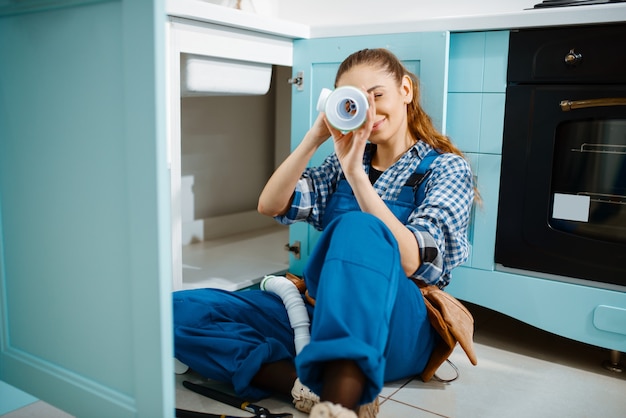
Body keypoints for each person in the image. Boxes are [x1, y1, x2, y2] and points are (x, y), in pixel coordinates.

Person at [173, 48, 475, 418]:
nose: (370, 109)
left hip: (399, 326)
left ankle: (343, 398)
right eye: (355, 101)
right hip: (323, 314)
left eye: (377, 95)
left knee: (359, 226)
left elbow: (412, 261)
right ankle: (304, 388)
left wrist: (358, 179)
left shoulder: (445, 169)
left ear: (406, 90)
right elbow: (271, 204)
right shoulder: (344, 160)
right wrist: (314, 138)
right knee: (179, 309)